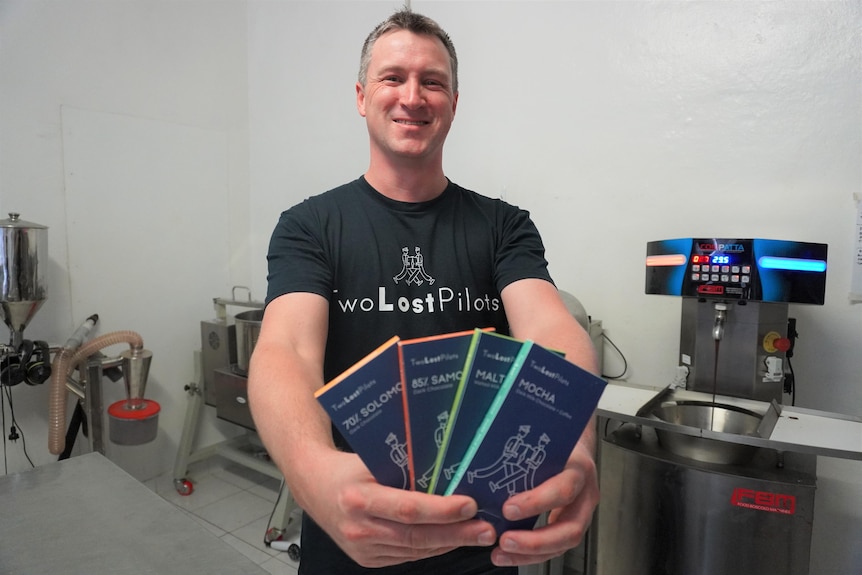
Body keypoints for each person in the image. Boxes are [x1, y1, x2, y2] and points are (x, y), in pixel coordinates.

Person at [248, 8, 600, 575]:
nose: (413, 96)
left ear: (454, 105)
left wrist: (573, 441)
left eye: (432, 82)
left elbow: (553, 331)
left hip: (482, 538)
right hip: (353, 533)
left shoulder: (503, 226)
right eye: (393, 78)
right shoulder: (309, 225)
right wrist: (312, 471)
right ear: (362, 96)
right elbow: (285, 349)